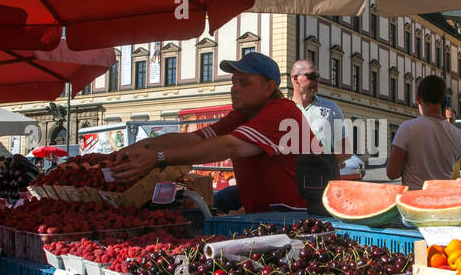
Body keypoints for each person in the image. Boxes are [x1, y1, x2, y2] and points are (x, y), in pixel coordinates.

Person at [111, 52, 315, 213]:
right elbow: (193, 138)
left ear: (269, 88)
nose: (234, 89)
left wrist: (159, 157)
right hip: (268, 215)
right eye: (233, 82)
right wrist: (142, 146)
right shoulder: (241, 116)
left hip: (297, 215)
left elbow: (229, 146)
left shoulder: (281, 112)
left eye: (244, 83)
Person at [386, 74, 461, 189]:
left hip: (415, 202)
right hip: (444, 201)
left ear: (419, 98)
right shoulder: (460, 136)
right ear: (444, 100)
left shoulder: (407, 128)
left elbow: (392, 173)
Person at [288, 58, 347, 208]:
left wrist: (325, 161)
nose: (317, 80)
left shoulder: (331, 108)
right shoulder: (283, 109)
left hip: (325, 184)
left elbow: (346, 150)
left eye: (318, 77)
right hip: (290, 183)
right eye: (312, 76)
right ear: (296, 78)